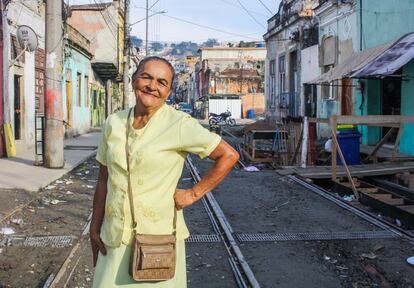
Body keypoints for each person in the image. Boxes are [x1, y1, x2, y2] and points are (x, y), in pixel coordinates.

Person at [90, 56, 239, 287]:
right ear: (133, 80)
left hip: (156, 242)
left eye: (162, 82)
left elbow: (228, 155)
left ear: (169, 91)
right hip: (114, 237)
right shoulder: (114, 123)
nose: (152, 86)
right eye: (146, 77)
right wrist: (94, 226)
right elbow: (103, 180)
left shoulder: (179, 124)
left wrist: (192, 194)